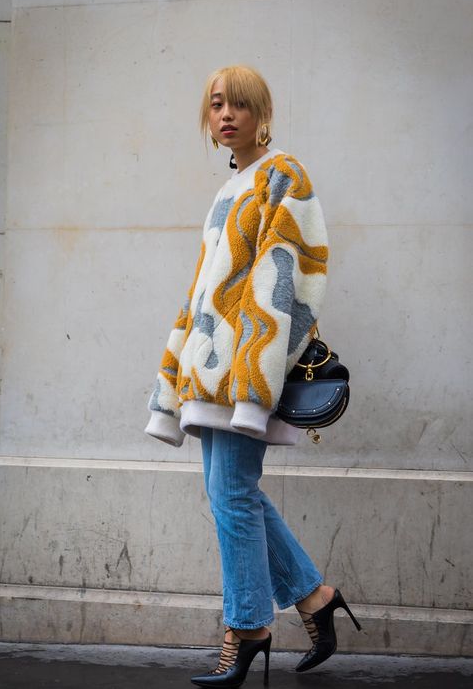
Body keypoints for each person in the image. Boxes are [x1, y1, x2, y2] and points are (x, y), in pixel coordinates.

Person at [145, 65, 361, 687]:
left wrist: (255, 374)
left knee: (232, 494)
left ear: (262, 112)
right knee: (226, 495)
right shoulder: (227, 191)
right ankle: (315, 599)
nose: (227, 114)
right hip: (213, 375)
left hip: (248, 370)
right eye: (217, 105)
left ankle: (246, 630)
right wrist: (179, 366)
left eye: (240, 104)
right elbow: (203, 291)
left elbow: (291, 280)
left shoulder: (284, 176)